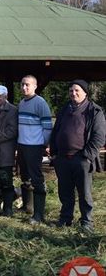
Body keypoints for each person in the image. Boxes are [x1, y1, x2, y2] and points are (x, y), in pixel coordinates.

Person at [50, 80, 106, 233]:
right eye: (71, 91)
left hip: (81, 159)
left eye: (77, 91)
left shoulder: (94, 111)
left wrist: (87, 156)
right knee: (65, 192)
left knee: (84, 193)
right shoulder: (64, 109)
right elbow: (56, 132)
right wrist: (54, 153)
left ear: (85, 93)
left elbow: (99, 137)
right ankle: (65, 219)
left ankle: (87, 222)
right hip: (63, 159)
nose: (73, 93)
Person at [17, 75, 53, 225]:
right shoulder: (22, 103)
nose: (24, 87)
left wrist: (43, 145)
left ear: (35, 86)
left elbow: (47, 127)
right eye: (22, 85)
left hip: (34, 146)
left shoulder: (40, 103)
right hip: (22, 145)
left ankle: (39, 214)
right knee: (25, 177)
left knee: (36, 179)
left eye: (27, 85)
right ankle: (27, 206)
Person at [0, 85, 18, 216]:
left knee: (6, 181)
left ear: (5, 96)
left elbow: (12, 130)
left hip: (5, 151)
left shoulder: (12, 110)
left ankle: (8, 208)